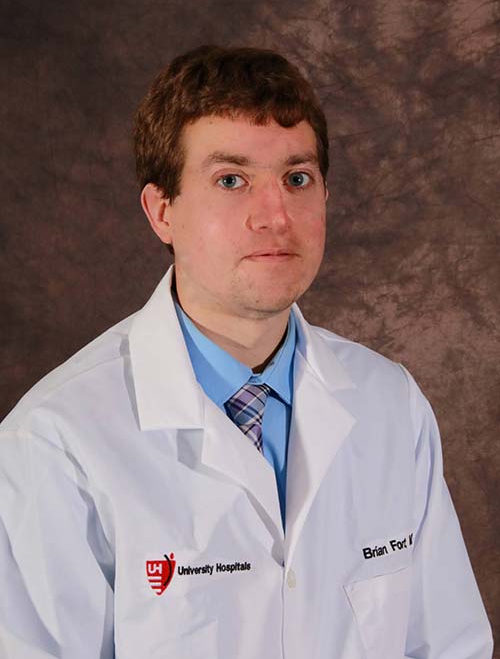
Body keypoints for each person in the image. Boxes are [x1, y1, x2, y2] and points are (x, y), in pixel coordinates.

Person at [0, 46, 493, 659]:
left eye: (297, 178)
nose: (276, 216)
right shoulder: (55, 442)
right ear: (162, 211)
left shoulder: (391, 404)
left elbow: (449, 646)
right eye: (231, 180)